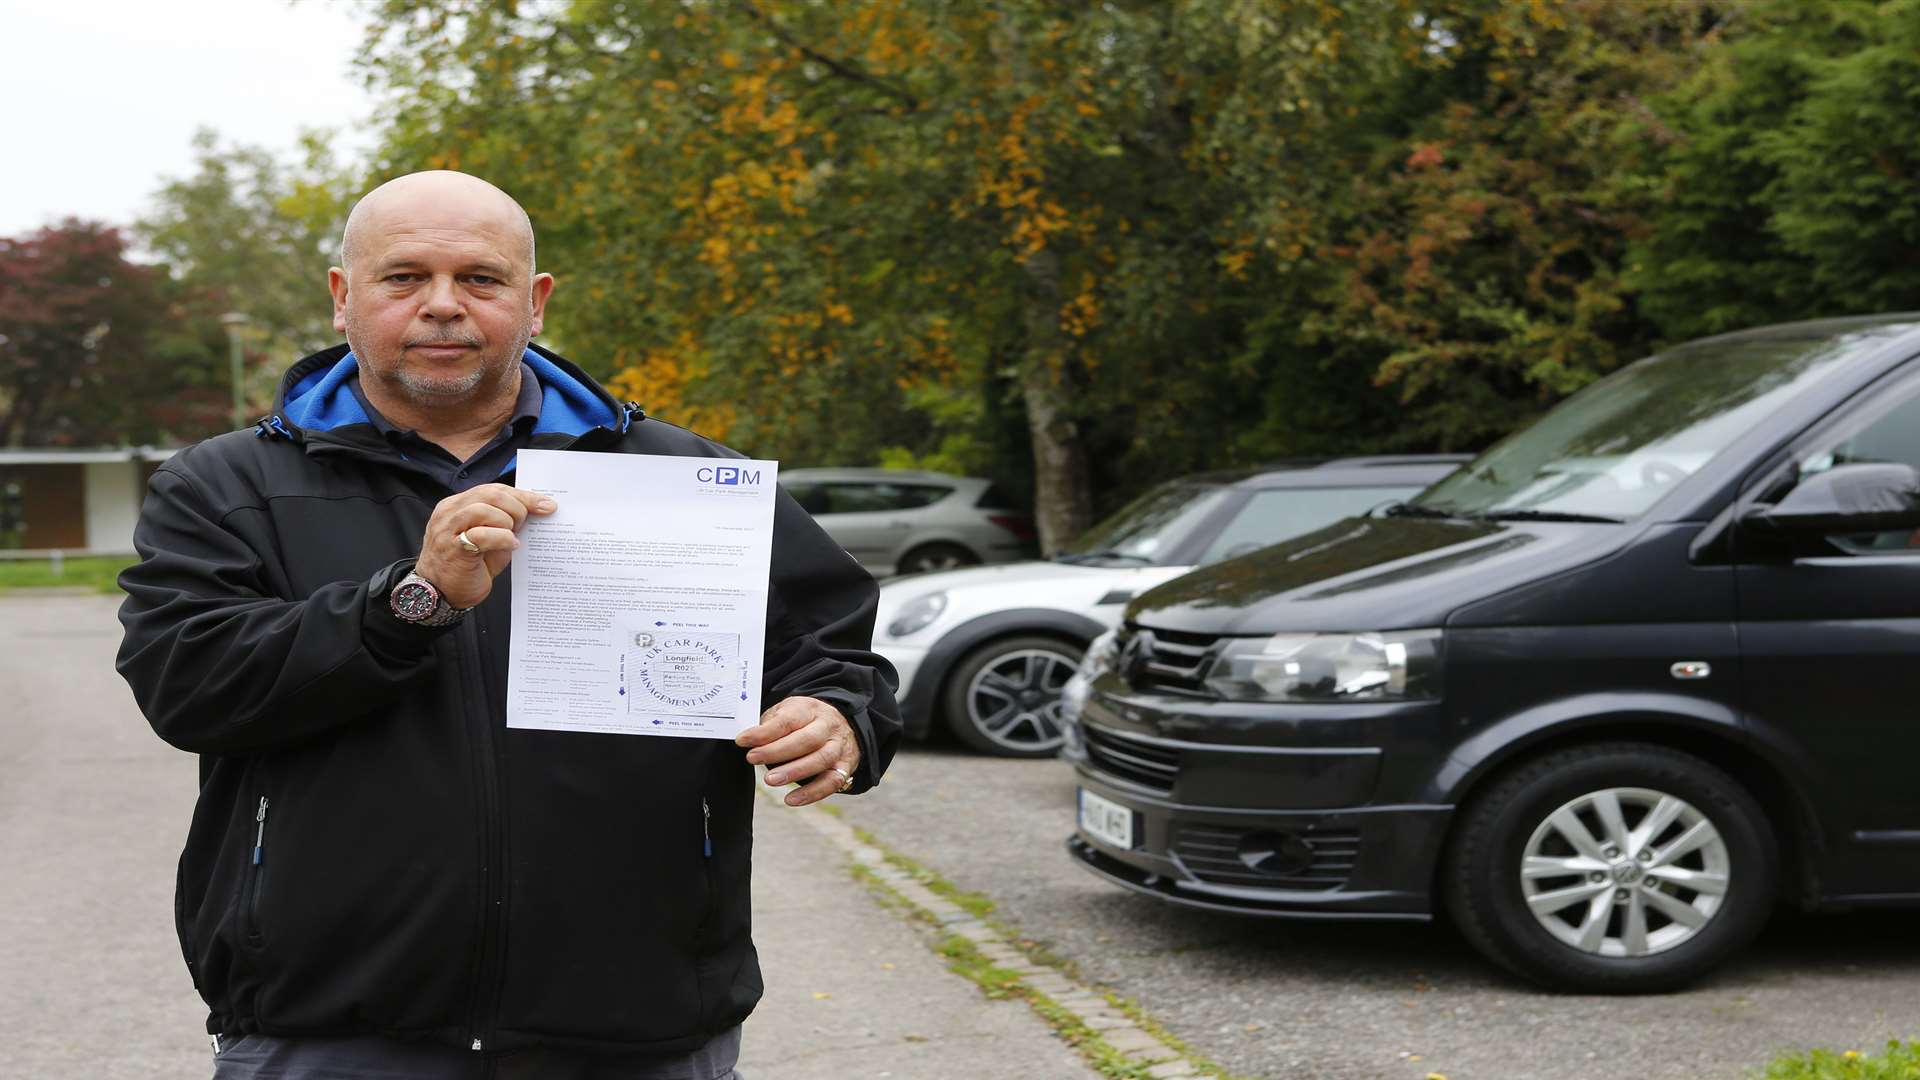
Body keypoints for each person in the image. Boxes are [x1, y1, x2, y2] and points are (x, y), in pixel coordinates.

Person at [115, 171, 901, 1079]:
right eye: (403, 277)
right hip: (330, 1028)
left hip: (634, 1025)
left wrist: (838, 715)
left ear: (534, 304)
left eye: (480, 280)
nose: (443, 306)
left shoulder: (682, 479)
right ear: (343, 299)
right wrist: (412, 600)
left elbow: (832, 646)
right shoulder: (224, 486)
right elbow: (188, 685)